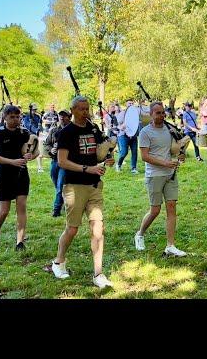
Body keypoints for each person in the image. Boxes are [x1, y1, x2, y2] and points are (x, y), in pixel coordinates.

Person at [50, 96, 116, 289]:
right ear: (72, 110)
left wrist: (107, 159)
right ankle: (58, 262)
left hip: (95, 185)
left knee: (98, 229)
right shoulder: (66, 132)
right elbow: (62, 161)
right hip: (74, 186)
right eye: (81, 109)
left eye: (87, 108)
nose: (85, 112)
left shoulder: (93, 129)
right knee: (72, 229)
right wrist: (88, 168)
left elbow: (101, 152)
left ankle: (98, 273)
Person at [134, 101, 187, 256]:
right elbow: (144, 156)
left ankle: (170, 245)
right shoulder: (145, 132)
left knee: (171, 207)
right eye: (158, 113)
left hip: (170, 174)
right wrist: (165, 163)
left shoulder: (170, 130)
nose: (162, 115)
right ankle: (140, 234)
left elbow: (175, 148)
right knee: (155, 210)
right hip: (154, 175)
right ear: (151, 115)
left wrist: (180, 154)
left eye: (163, 112)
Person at [0, 105, 39, 250]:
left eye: (18, 117)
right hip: (3, 173)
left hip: (22, 173)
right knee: (4, 210)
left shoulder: (24, 132)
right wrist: (12, 162)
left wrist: (30, 156)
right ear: (4, 117)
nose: (16, 120)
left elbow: (35, 151)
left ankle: (20, 242)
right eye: (12, 117)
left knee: (21, 206)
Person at [44, 110, 71, 217]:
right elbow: (46, 143)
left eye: (64, 116)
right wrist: (51, 150)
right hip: (55, 160)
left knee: (60, 185)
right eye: (60, 116)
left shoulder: (72, 130)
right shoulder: (54, 130)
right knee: (57, 185)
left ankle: (56, 210)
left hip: (66, 162)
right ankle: (64, 201)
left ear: (69, 117)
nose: (62, 118)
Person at [115, 99, 139, 174]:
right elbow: (117, 125)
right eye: (129, 103)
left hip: (133, 136)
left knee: (134, 152)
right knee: (124, 152)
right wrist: (122, 127)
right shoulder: (122, 113)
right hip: (123, 136)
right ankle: (118, 165)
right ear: (126, 104)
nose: (131, 104)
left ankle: (133, 168)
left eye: (132, 103)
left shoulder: (136, 113)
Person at [23, 104, 43, 173]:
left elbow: (40, 126)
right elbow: (28, 126)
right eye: (33, 110)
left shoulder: (38, 117)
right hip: (29, 136)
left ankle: (40, 167)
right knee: (27, 152)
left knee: (38, 151)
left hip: (36, 136)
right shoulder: (26, 117)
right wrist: (36, 130)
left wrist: (39, 129)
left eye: (35, 110)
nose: (34, 111)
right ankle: (24, 165)